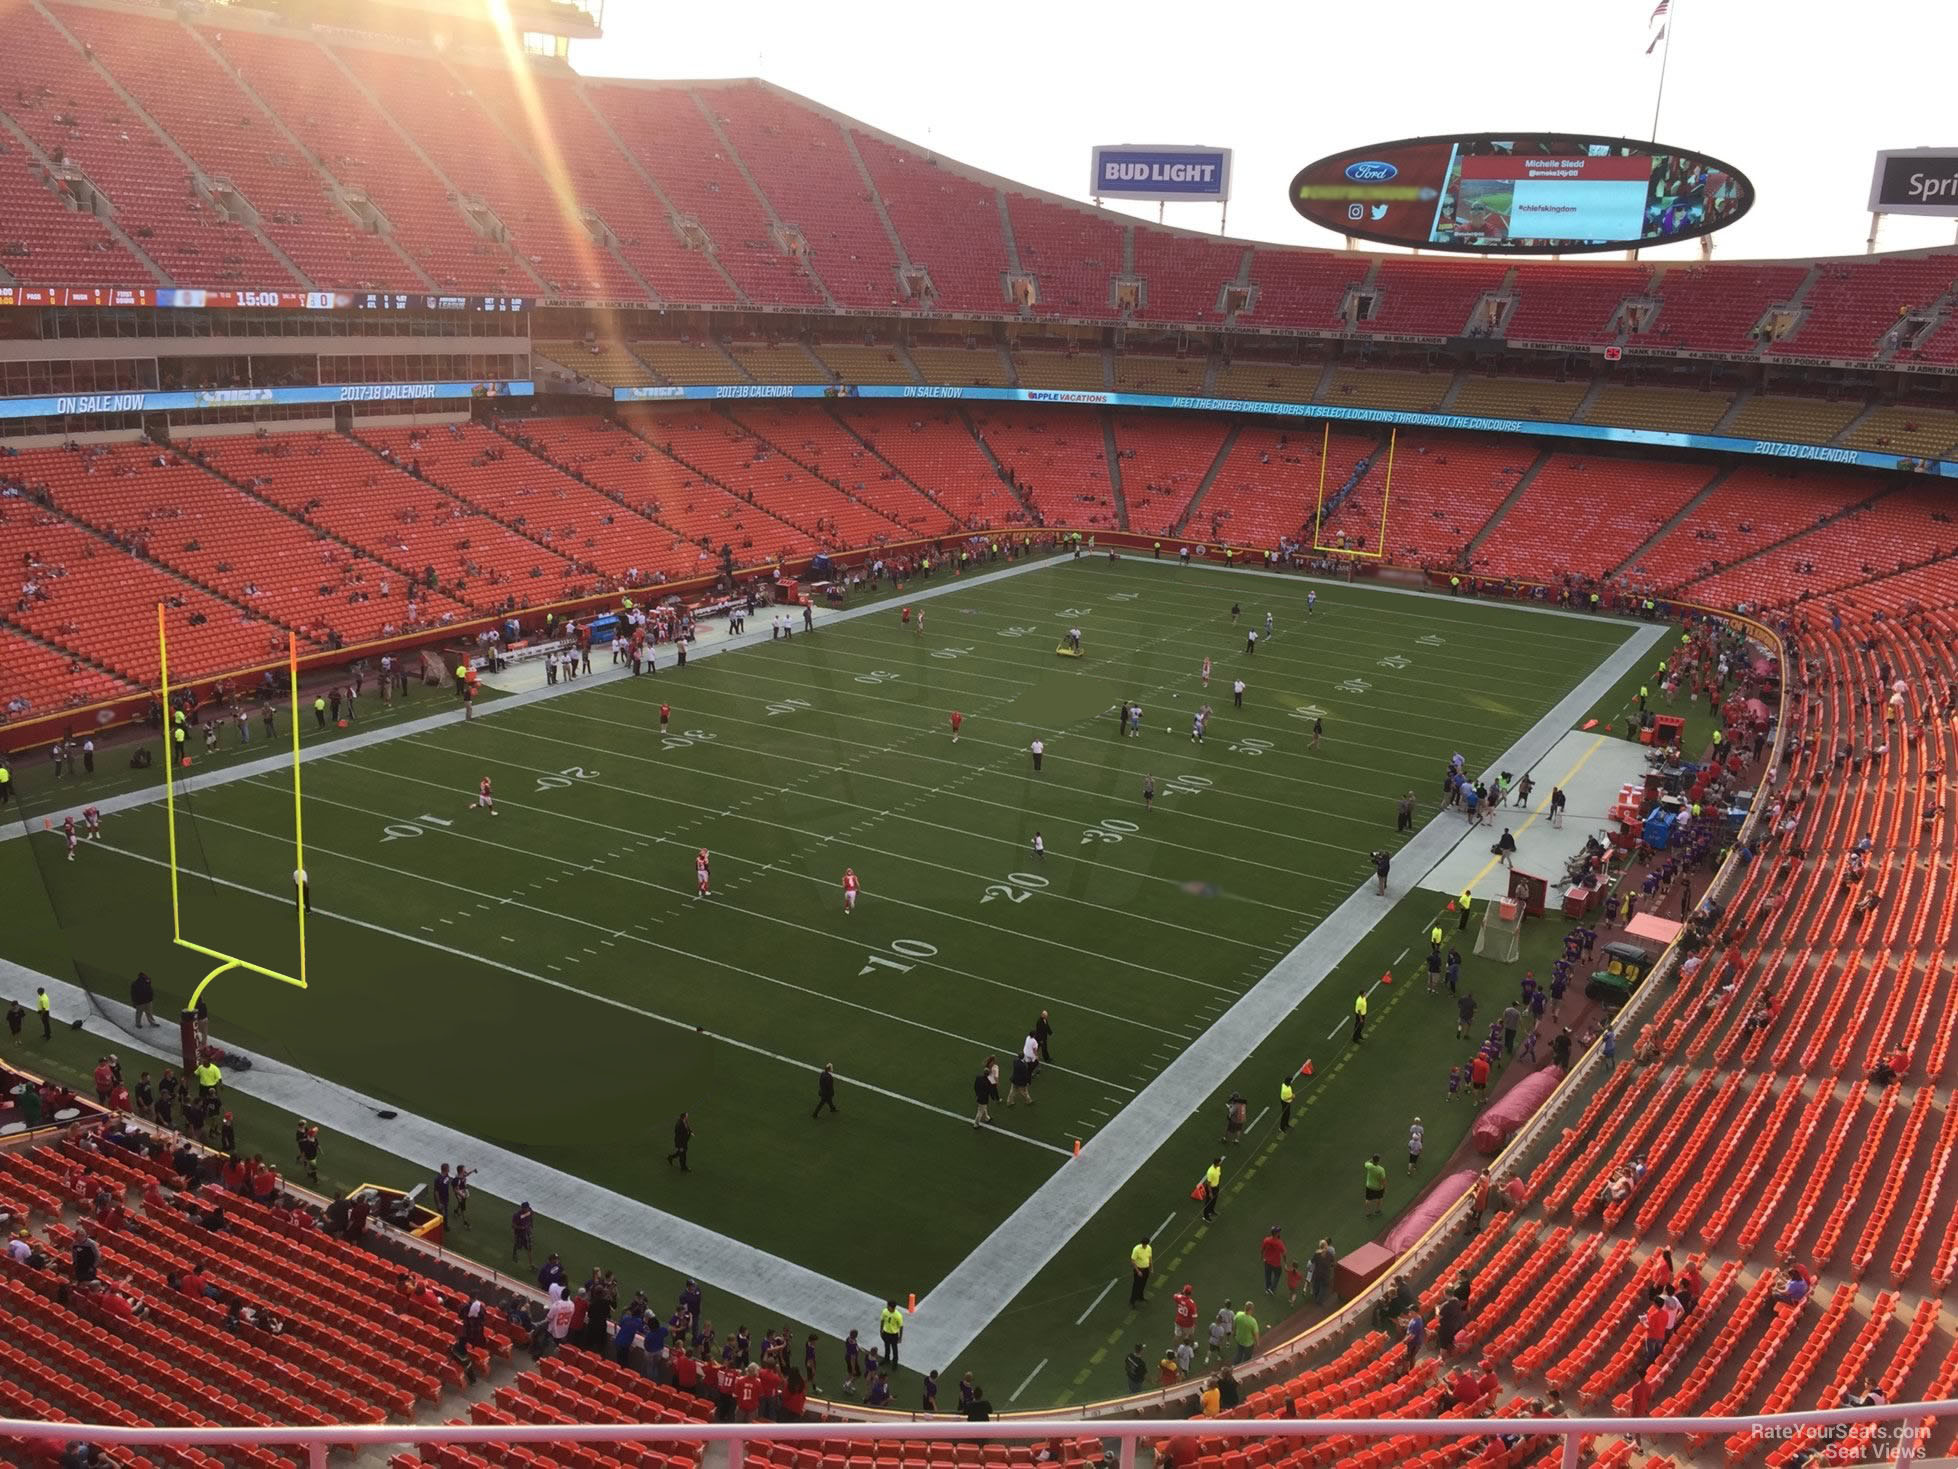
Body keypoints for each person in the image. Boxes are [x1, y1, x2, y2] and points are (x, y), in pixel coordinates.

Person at [878, 1299, 904, 1367]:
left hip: (894, 1335)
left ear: (892, 1307)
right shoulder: (885, 1311)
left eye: (888, 1306)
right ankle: (886, 1359)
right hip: (886, 1333)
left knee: (894, 1349)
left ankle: (895, 1363)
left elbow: (901, 1326)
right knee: (886, 1347)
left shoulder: (898, 1315)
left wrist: (900, 1337)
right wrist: (881, 1330)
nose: (887, 1307)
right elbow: (882, 1320)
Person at [1129, 1236, 1153, 1306]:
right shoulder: (1136, 1249)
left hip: (1146, 1269)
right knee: (1136, 1286)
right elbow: (1133, 1261)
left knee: (1143, 1284)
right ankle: (1132, 1300)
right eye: (1143, 1244)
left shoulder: (1149, 1248)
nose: (1144, 1245)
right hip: (1139, 1270)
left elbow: (1150, 1258)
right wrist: (1138, 1271)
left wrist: (1151, 1268)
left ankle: (1140, 1297)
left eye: (1145, 1244)